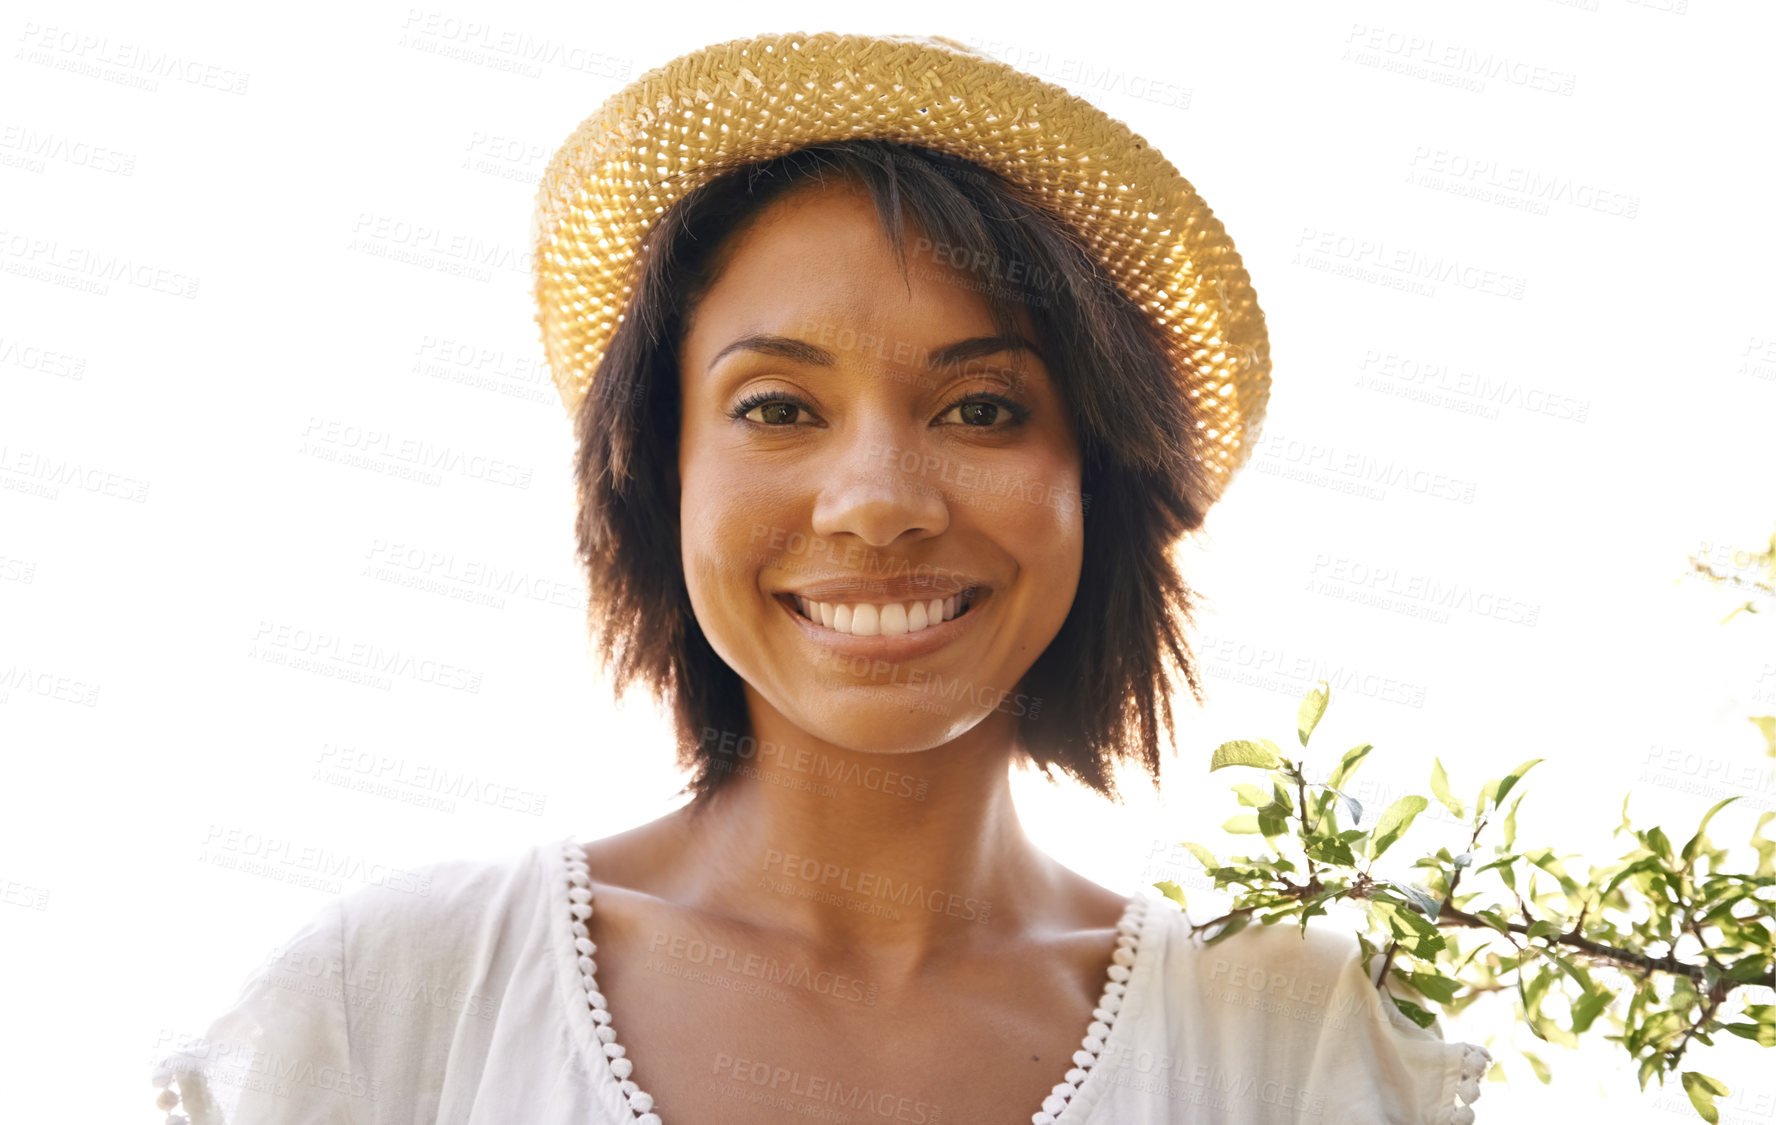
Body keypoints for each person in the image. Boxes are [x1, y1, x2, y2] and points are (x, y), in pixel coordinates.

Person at [149, 32, 1490, 1124]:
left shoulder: (1303, 1054)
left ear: (1100, 482)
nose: (879, 502)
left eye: (981, 410)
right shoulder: (392, 1005)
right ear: (660, 472)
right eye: (779, 406)